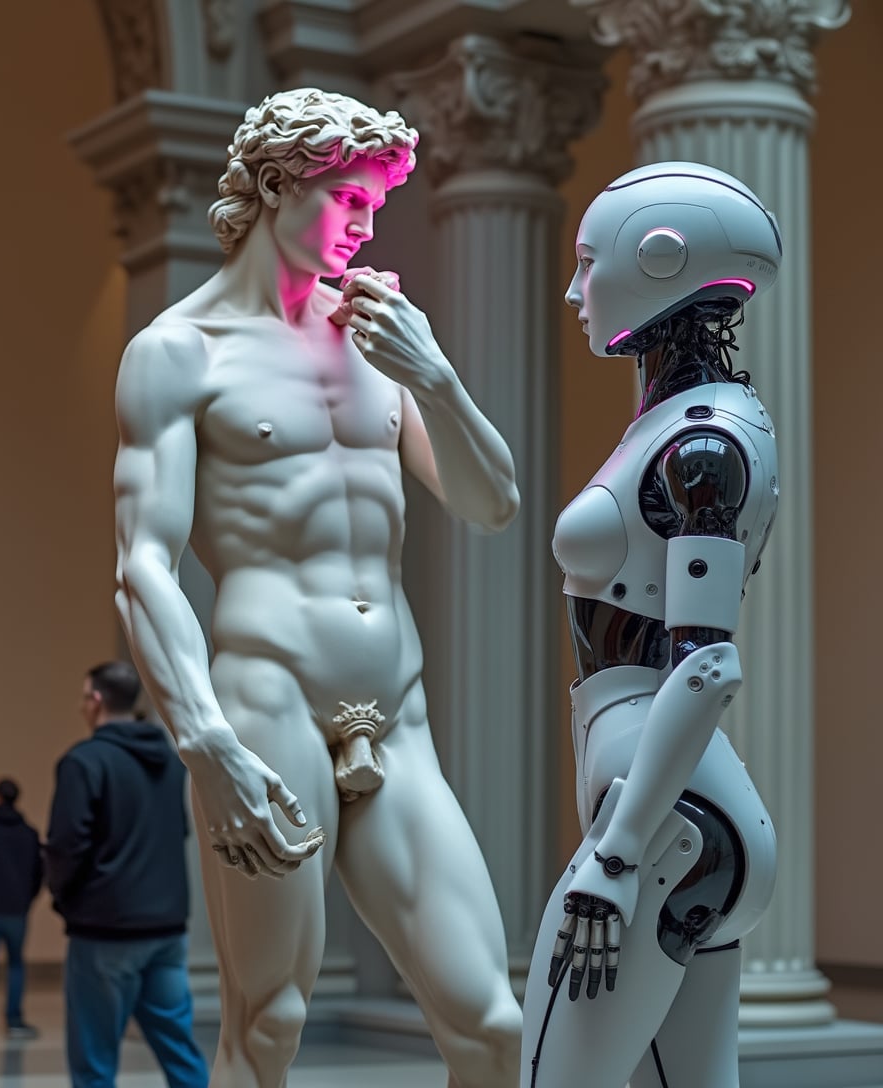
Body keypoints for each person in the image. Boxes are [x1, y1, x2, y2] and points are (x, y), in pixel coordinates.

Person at [113, 87, 522, 1087]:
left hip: (396, 705)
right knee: (271, 1018)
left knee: (492, 1021)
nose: (364, 224)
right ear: (269, 185)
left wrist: (434, 376)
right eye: (346, 199)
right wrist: (206, 745)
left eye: (375, 205)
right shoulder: (179, 353)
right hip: (266, 702)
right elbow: (143, 567)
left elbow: (492, 502)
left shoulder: (379, 336)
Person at [521, 163, 783, 1087]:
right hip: (678, 805)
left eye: (589, 263)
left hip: (661, 820)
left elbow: (706, 668)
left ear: (659, 259)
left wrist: (619, 854)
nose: (574, 289)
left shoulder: (702, 442)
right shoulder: (687, 424)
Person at [45, 661, 208, 1088]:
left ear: (95, 700)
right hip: (168, 929)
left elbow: (66, 847)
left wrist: (63, 899)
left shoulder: (83, 762)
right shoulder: (171, 764)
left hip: (104, 931)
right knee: (180, 1050)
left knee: (95, 1062)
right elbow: (181, 831)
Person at [0, 777, 43, 1038]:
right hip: (17, 911)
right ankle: (14, 1021)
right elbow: (38, 873)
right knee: (16, 965)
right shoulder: (29, 833)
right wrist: (26, 899)